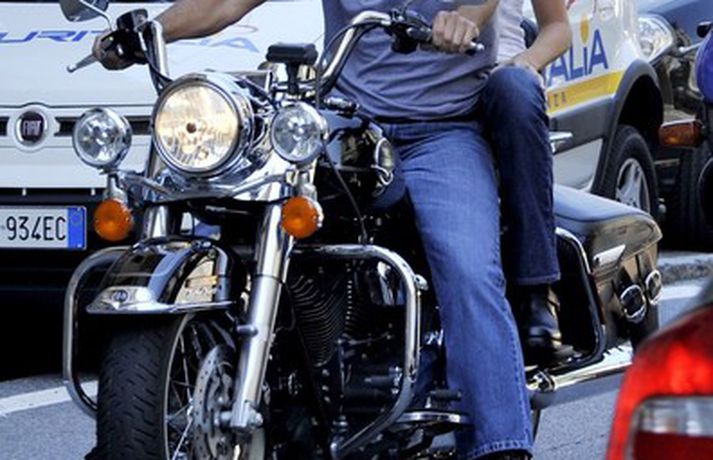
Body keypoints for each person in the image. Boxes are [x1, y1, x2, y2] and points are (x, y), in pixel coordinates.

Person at [95, 1, 533, 458]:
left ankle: (498, 443)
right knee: (236, 212)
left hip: (442, 129)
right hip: (345, 121)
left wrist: (468, 18)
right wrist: (149, 31)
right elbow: (224, 4)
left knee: (467, 270)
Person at [482, 0, 572, 366]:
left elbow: (557, 27)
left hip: (494, 77)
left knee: (514, 90)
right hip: (394, 89)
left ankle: (537, 291)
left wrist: (527, 61)